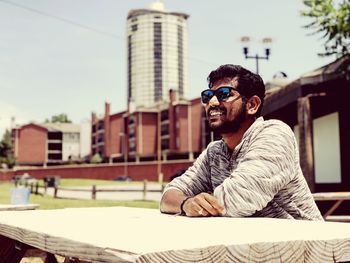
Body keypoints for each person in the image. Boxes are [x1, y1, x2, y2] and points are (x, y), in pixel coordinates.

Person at [160, 64, 323, 220]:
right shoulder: (214, 152)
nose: (212, 102)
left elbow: (240, 199)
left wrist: (199, 204)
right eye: (208, 96)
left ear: (252, 105)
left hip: (308, 244)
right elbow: (169, 196)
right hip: (254, 246)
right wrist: (186, 203)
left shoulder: (275, 134)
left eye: (224, 94)